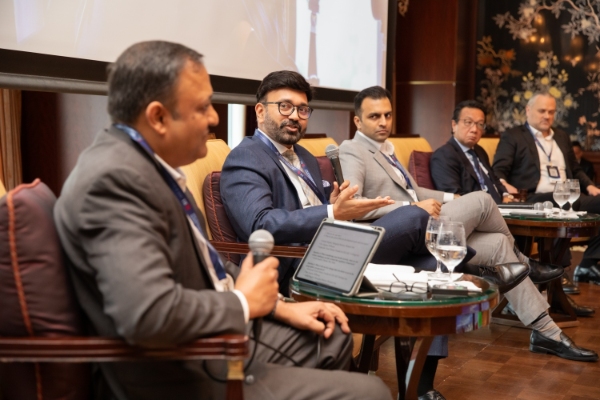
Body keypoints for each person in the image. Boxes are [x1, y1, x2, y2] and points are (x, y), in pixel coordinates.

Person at [53, 41, 393, 400]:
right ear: (158, 117)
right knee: (371, 392)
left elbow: (204, 263)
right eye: (202, 107)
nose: (215, 118)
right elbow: (147, 315)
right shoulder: (114, 182)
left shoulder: (145, 166)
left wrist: (278, 306)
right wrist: (244, 303)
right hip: (183, 368)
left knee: (331, 333)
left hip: (206, 336)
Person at [221, 71, 481, 400]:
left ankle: (421, 387)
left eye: (302, 109)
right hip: (303, 266)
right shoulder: (246, 157)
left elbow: (315, 209)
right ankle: (472, 263)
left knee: (435, 267)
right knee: (415, 215)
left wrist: (332, 205)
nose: (295, 116)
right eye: (285, 106)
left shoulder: (304, 157)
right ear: (260, 111)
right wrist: (332, 212)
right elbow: (261, 223)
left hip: (334, 248)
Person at [338, 86, 597, 364]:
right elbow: (353, 205)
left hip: (421, 228)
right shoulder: (353, 149)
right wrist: (410, 208)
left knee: (498, 243)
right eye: (375, 116)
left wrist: (453, 197)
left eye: (387, 115)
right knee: (483, 200)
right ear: (357, 121)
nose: (383, 122)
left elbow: (416, 191)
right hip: (395, 236)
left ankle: (547, 332)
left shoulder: (386, 150)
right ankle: (525, 263)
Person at [491, 92, 600, 285]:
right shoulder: (513, 136)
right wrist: (506, 186)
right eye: (542, 111)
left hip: (569, 194)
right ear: (528, 110)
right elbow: (498, 170)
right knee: (563, 204)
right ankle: (559, 270)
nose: (547, 116)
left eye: (551, 112)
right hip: (534, 198)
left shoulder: (561, 136)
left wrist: (591, 186)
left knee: (574, 202)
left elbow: (575, 169)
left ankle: (587, 263)